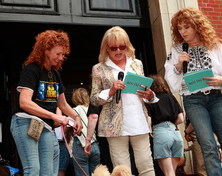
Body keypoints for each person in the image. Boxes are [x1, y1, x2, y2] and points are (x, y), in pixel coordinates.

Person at [164, 7, 222, 176]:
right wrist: (178, 65)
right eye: (179, 28)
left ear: (197, 25)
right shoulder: (176, 51)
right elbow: (171, 84)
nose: (183, 32)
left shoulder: (216, 46)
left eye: (187, 27)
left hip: (217, 98)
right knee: (208, 146)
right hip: (193, 101)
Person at [85, 26, 157, 176]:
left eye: (122, 46)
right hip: (114, 126)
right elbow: (93, 99)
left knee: (147, 165)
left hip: (139, 121)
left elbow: (145, 90)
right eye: (113, 48)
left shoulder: (137, 64)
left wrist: (150, 95)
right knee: (121, 169)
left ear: (127, 45)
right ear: (106, 48)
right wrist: (110, 91)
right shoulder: (98, 68)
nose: (118, 50)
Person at [10, 30, 83, 176]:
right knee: (33, 169)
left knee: (49, 172)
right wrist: (54, 116)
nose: (61, 58)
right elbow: (24, 102)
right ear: (45, 51)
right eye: (58, 54)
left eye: (63, 54)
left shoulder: (56, 75)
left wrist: (77, 117)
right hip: (26, 121)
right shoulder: (31, 70)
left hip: (45, 126)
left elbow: (63, 104)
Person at [145, 74, 184, 176]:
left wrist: (149, 132)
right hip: (176, 134)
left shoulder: (150, 100)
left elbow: (148, 120)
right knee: (172, 173)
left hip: (161, 133)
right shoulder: (171, 97)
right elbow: (181, 119)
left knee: (168, 173)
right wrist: (170, 123)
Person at [70, 88, 100, 176]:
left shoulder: (74, 111)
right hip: (95, 145)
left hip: (80, 145)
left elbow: (68, 128)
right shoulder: (93, 110)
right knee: (97, 173)